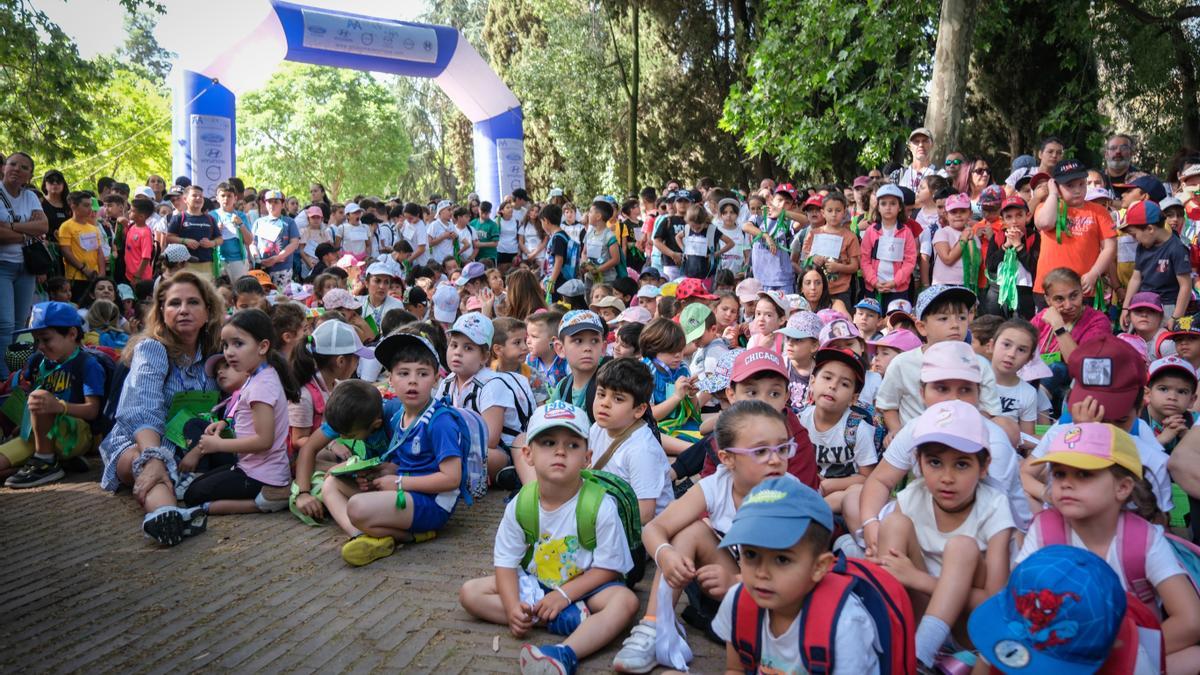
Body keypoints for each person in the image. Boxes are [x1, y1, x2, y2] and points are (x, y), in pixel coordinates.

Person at [612, 401, 796, 673]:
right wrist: (666, 554)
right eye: (760, 451)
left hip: (781, 603)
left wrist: (737, 581)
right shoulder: (717, 485)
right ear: (727, 459)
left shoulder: (792, 494)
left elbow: (797, 569)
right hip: (731, 590)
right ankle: (654, 626)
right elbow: (654, 528)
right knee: (691, 532)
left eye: (782, 448)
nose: (775, 459)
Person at [459, 401, 639, 675]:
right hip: (536, 583)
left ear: (587, 457)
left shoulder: (599, 505)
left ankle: (566, 652)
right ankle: (555, 619)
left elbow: (608, 568)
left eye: (572, 445)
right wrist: (511, 608)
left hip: (587, 588)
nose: (559, 451)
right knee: (470, 593)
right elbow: (506, 563)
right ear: (528, 454)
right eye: (548, 442)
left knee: (625, 602)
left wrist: (563, 595)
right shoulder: (521, 505)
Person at [1019, 423, 1200, 672]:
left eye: (1084, 474)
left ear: (1123, 487)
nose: (1066, 484)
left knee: (1194, 658)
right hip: (1060, 653)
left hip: (1130, 653)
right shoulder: (1044, 530)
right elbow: (1017, 599)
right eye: (1059, 473)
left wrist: (1119, 658)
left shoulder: (1144, 540)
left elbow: (1190, 620)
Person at [876, 401, 1014, 670]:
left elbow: (997, 603)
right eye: (935, 462)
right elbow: (894, 568)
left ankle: (919, 658)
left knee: (961, 546)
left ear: (984, 466)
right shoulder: (912, 497)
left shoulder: (995, 506)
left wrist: (920, 579)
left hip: (967, 632)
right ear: (918, 463)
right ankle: (888, 639)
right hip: (915, 617)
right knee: (894, 525)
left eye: (961, 465)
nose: (947, 477)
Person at [97, 272, 223, 546]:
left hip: (189, 447)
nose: (183, 310)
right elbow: (141, 409)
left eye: (193, 302)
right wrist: (154, 457)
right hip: (137, 440)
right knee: (146, 465)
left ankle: (174, 512)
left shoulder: (217, 354)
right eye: (174, 303)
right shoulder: (152, 349)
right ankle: (167, 514)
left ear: (208, 311)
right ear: (162, 311)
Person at [713, 475, 883, 673]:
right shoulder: (738, 602)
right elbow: (736, 669)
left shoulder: (844, 624)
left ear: (819, 567)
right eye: (751, 554)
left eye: (782, 559)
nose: (762, 573)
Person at [335, 333, 470, 566]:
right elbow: (405, 464)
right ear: (391, 380)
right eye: (404, 373)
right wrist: (382, 472)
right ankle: (365, 535)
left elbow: (451, 479)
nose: (413, 381)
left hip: (432, 503)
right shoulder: (399, 415)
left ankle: (404, 535)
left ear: (436, 379)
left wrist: (397, 482)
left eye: (423, 373)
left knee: (356, 507)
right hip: (405, 491)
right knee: (333, 482)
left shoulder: (440, 421)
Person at [178, 308, 298, 515]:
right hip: (253, 467)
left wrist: (219, 445)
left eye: (238, 344)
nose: (229, 352)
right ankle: (269, 494)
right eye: (225, 345)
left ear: (262, 347)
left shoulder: (262, 386)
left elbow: (264, 441)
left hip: (262, 476)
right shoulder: (258, 376)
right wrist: (224, 424)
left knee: (192, 495)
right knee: (197, 486)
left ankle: (268, 499)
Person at [0, 302, 106, 488]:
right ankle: (52, 461)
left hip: (77, 435)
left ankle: (46, 463)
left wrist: (59, 406)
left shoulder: (87, 364)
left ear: (72, 334)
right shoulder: (38, 362)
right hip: (39, 436)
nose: (40, 346)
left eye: (46, 339)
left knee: (40, 397)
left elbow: (92, 411)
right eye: (36, 340)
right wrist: (25, 424)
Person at [589, 358, 672, 523]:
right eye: (601, 394)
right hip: (610, 511)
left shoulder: (642, 450)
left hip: (642, 531)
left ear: (640, 409)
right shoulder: (597, 428)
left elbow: (645, 515)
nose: (604, 403)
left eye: (618, 399)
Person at [800, 347, 877, 512]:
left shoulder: (857, 429)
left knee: (852, 494)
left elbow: (868, 477)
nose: (833, 386)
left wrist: (829, 485)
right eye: (827, 377)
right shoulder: (801, 421)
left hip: (844, 496)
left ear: (853, 398)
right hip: (808, 488)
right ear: (812, 381)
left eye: (844, 384)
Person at [1033, 160, 1117, 304]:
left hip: (1084, 288)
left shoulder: (1099, 211)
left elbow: (1110, 247)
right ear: (1056, 185)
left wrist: (1094, 274)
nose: (1077, 190)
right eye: (1069, 185)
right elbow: (1045, 223)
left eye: (1081, 184)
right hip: (1048, 289)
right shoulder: (1046, 207)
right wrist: (1053, 194)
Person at [1121, 200, 1191, 329]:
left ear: (1150, 229)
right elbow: (1136, 278)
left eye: (1135, 234)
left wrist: (1176, 317)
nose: (1135, 239)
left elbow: (1185, 285)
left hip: (1167, 307)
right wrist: (1126, 307)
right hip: (1142, 304)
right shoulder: (1142, 247)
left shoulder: (1177, 248)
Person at [860, 184, 919, 307]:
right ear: (878, 207)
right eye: (883, 203)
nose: (888, 207)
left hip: (898, 289)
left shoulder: (906, 232)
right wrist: (874, 282)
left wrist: (895, 282)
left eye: (893, 203)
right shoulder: (871, 231)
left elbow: (910, 261)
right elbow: (865, 259)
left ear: (900, 208)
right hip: (874, 288)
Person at [58, 191, 106, 303]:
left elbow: (99, 251)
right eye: (86, 205)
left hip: (95, 277)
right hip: (76, 277)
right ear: (73, 206)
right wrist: (84, 269)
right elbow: (66, 251)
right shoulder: (66, 226)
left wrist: (102, 273)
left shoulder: (93, 228)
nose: (90, 208)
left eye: (90, 205)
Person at [166, 185, 222, 279]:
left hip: (207, 264)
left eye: (201, 196)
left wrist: (211, 243)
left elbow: (220, 239)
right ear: (185, 199)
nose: (198, 198)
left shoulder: (210, 219)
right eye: (194, 195)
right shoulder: (179, 218)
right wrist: (185, 241)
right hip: (184, 265)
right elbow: (169, 237)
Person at [251, 190, 301, 288]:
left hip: (283, 268)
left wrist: (277, 258)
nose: (272, 204)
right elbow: (252, 243)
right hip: (262, 268)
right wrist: (257, 259)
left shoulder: (289, 222)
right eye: (269, 202)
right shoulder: (258, 222)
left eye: (276, 202)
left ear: (283, 204)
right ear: (265, 204)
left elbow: (294, 243)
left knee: (280, 298)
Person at [894, 126, 939, 192]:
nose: (921, 145)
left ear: (932, 144)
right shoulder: (897, 175)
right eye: (916, 141)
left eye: (925, 141)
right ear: (909, 146)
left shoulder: (940, 175)